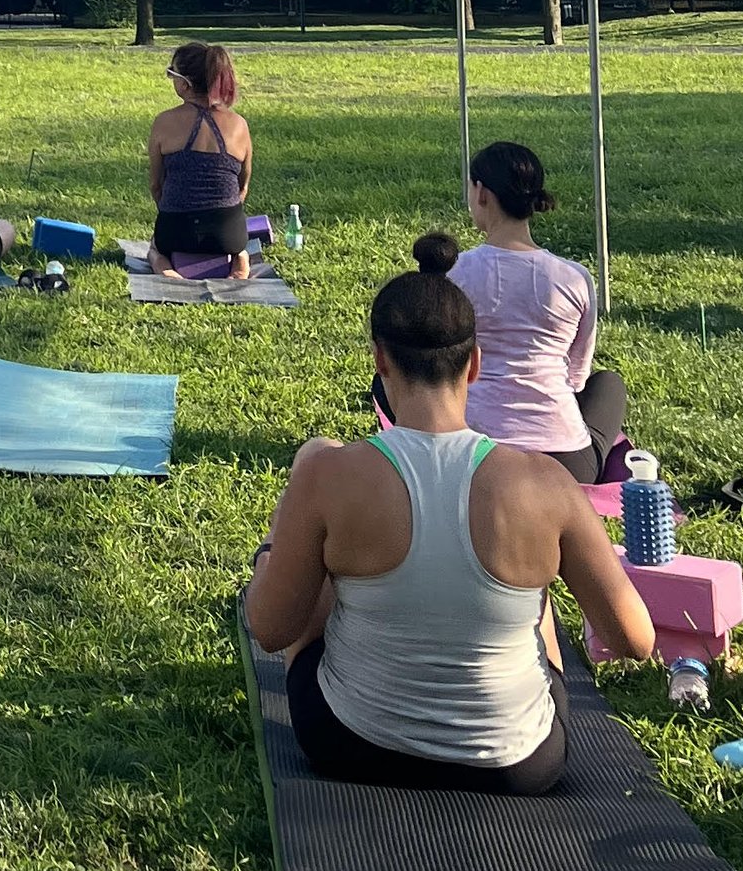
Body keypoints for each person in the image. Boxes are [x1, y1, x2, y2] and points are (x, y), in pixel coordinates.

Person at [244, 235, 654, 791]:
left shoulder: (329, 474)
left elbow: (269, 630)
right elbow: (635, 640)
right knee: (536, 594)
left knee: (317, 479)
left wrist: (275, 546)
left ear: (380, 358)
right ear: (475, 363)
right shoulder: (545, 483)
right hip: (517, 763)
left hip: (350, 742)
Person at [449, 140, 627, 481]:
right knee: (607, 384)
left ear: (481, 193)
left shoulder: (458, 273)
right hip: (565, 465)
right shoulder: (575, 278)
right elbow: (576, 378)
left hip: (473, 452)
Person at [148, 43, 252, 281]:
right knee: (240, 247)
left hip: (175, 231)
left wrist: (173, 213)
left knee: (155, 248)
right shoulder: (239, 124)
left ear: (184, 84)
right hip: (228, 234)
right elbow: (242, 186)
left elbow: (156, 184)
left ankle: (165, 270)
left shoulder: (164, 122)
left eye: (171, 73)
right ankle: (240, 262)